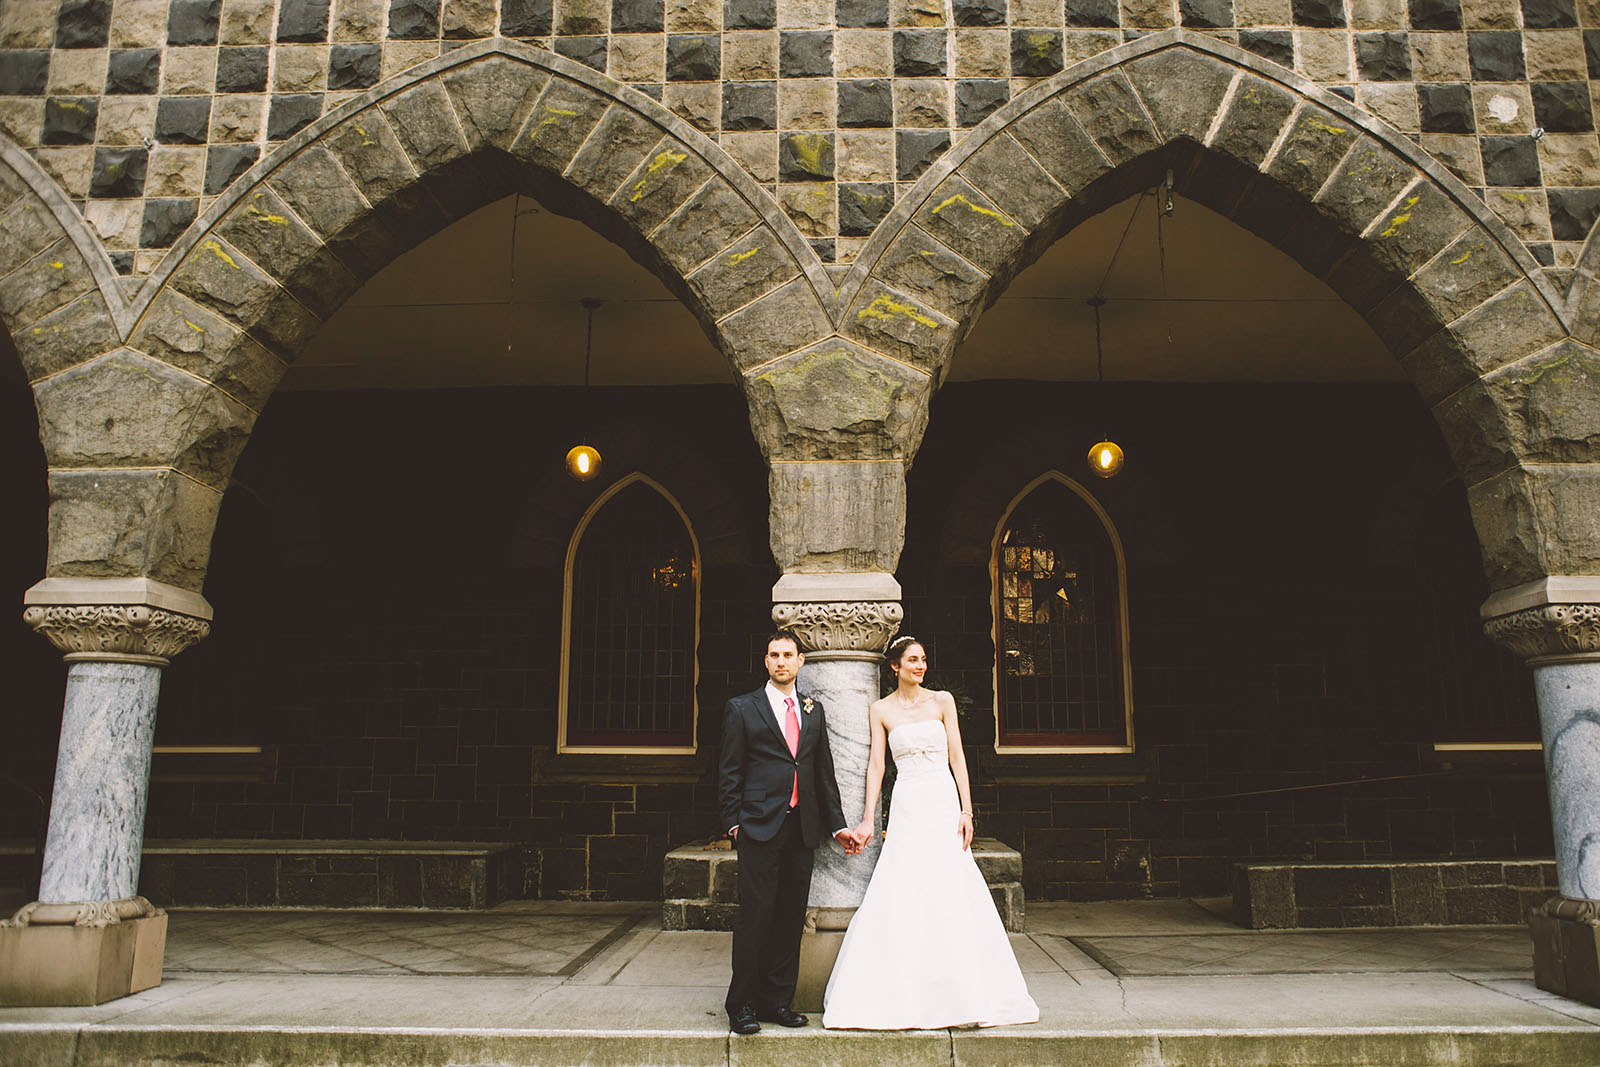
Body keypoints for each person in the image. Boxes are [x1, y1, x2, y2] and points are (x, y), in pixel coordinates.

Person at [822, 635, 1039, 1030]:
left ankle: (964, 990)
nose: (920, 666)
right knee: (906, 885)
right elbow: (876, 765)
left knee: (951, 884)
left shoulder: (942, 702)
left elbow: (957, 756)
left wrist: (967, 810)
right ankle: (902, 989)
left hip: (942, 800)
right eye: (912, 661)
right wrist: (869, 817)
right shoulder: (880, 709)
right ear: (895, 666)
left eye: (923, 660)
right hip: (907, 802)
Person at [718, 630, 861, 1035]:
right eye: (774, 655)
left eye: (788, 655)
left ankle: (775, 1002)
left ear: (801, 662)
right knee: (755, 917)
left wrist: (837, 825)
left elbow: (823, 772)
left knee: (789, 918)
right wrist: (734, 823)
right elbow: (729, 771)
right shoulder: (742, 708)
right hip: (759, 828)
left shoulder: (813, 710)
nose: (781, 661)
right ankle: (741, 1004)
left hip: (802, 829)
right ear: (766, 661)